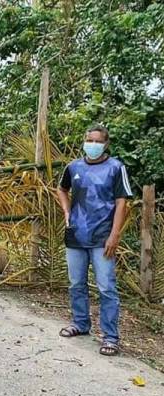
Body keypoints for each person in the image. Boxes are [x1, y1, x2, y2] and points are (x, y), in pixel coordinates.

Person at [56, 125, 133, 356]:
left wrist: (115, 235)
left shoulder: (116, 168)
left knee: (106, 287)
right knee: (76, 283)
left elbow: (122, 202)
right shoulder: (73, 167)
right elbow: (61, 189)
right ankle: (80, 323)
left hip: (103, 237)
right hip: (76, 235)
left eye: (97, 141)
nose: (92, 144)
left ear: (106, 144)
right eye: (89, 139)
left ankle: (110, 337)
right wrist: (67, 212)